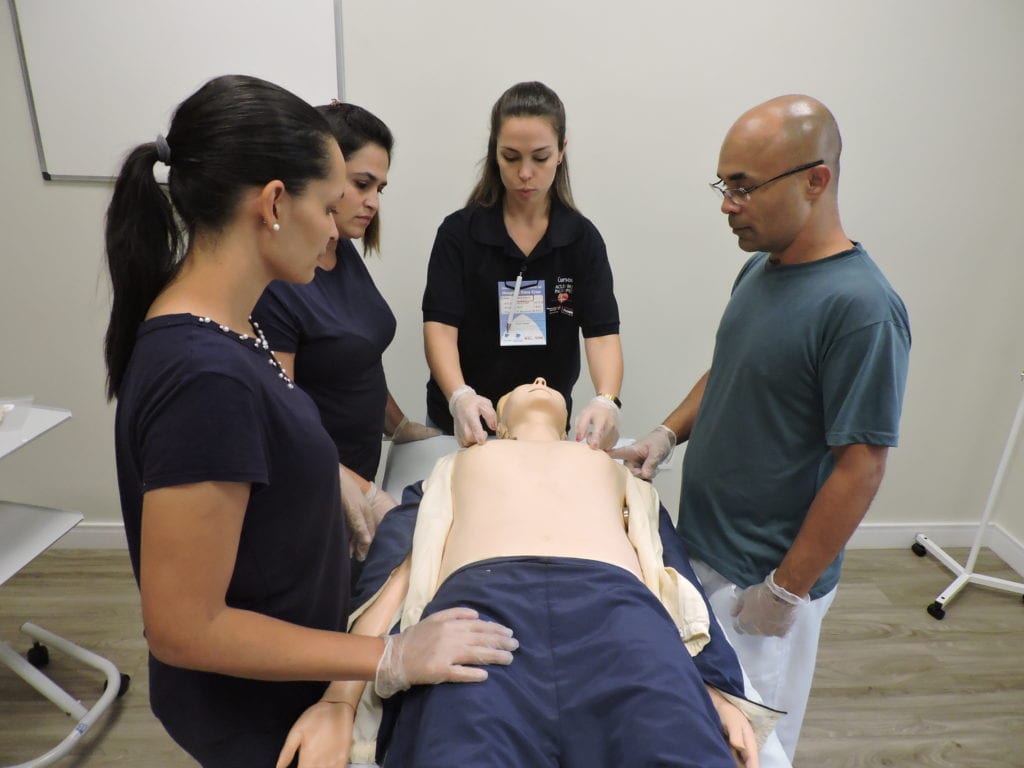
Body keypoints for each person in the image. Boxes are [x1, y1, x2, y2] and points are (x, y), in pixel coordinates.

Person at [103, 74, 518, 768]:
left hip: (305, 660)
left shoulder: (232, 330)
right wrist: (387, 655)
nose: (336, 228)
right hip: (257, 709)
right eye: (328, 206)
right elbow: (184, 627)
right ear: (273, 203)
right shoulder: (204, 376)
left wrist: (341, 492)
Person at [613, 95, 911, 763]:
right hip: (705, 550)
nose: (728, 205)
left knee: (752, 748)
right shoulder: (760, 269)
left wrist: (784, 591)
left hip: (763, 582)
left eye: (744, 187)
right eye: (724, 185)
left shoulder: (861, 309)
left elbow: (862, 466)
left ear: (816, 180)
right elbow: (730, 370)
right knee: (699, 726)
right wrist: (665, 434)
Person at [279, 378, 782, 768]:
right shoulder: (455, 465)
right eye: (522, 386)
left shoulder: (612, 470)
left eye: (548, 384)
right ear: (497, 422)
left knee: (674, 748)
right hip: (475, 619)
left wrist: (716, 690)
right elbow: (399, 574)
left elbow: (671, 574)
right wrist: (340, 699)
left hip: (621, 616)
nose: (540, 381)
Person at [252, 101, 439, 561]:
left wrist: (399, 426)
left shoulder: (341, 250)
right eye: (360, 184)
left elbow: (356, 357)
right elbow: (281, 421)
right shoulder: (283, 281)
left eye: (379, 188)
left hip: (355, 475)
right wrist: (361, 491)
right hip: (313, 490)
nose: (373, 202)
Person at [422, 81, 624, 450]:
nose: (525, 173)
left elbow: (601, 335)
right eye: (511, 157)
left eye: (540, 157)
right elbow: (440, 328)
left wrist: (606, 400)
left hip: (542, 428)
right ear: (494, 152)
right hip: (466, 424)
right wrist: (459, 396)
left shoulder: (581, 240)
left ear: (561, 152)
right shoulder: (459, 234)